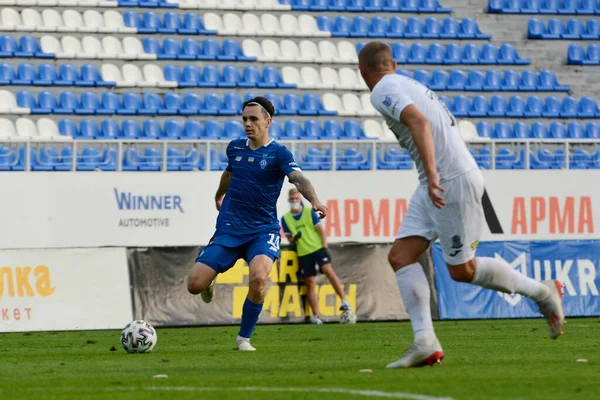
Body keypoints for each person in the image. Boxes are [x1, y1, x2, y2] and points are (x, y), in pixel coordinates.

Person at [358, 42, 565, 368]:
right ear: (393, 64)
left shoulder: (382, 88)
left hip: (447, 180)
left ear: (362, 72)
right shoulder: (407, 82)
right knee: (400, 256)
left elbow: (420, 123)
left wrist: (432, 171)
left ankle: (543, 292)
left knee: (461, 270)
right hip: (437, 181)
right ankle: (425, 341)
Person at [187, 96, 328, 351]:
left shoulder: (279, 153)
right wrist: (220, 193)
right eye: (244, 119)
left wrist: (315, 200)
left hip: (262, 231)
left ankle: (243, 339)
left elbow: (298, 178)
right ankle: (209, 278)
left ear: (268, 121)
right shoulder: (235, 148)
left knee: (259, 279)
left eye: (253, 119)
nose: (248, 124)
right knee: (194, 285)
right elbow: (230, 172)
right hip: (229, 229)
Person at [281, 188, 352, 325]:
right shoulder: (286, 219)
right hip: (303, 252)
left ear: (300, 199)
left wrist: (325, 247)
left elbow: (320, 230)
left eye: (296, 198)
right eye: (292, 199)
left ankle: (344, 300)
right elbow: (290, 239)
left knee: (328, 271)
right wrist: (294, 239)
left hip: (317, 248)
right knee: (310, 284)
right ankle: (317, 316)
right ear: (289, 200)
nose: (295, 201)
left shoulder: (309, 212)